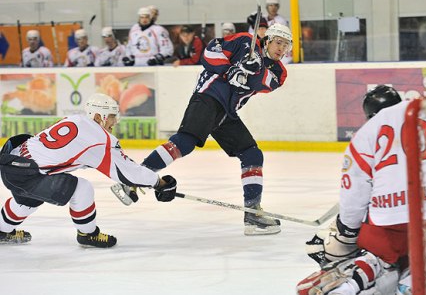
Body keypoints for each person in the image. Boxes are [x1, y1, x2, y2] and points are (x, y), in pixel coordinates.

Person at [297, 85, 426, 294]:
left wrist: (347, 233)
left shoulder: (364, 134)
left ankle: (362, 273)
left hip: (387, 220)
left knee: (381, 250)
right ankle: (422, 278)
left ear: (370, 115)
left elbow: (354, 193)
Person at [119, 23, 292, 236]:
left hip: (227, 112)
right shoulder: (245, 41)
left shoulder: (278, 71)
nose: (281, 49)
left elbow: (263, 83)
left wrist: (251, 68)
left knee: (251, 153)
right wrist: (231, 69)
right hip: (208, 96)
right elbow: (210, 53)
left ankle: (252, 213)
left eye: (286, 46)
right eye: (278, 42)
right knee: (184, 142)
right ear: (268, 39)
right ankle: (135, 178)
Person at [0, 93, 177, 247]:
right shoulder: (99, 138)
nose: (115, 122)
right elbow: (128, 172)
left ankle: (2, 230)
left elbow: (76, 155)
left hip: (13, 162)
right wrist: (159, 183)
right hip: (29, 172)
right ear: (99, 116)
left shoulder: (76, 119)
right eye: (112, 116)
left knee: (28, 200)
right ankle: (88, 234)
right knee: (81, 188)